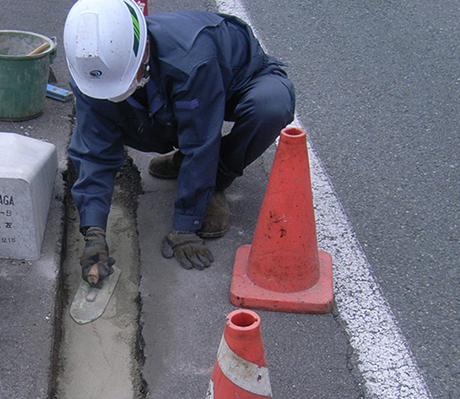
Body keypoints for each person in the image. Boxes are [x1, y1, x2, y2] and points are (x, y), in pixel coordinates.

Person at [64, 0, 295, 284]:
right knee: (127, 116)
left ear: (144, 49)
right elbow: (93, 152)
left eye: (122, 84)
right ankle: (182, 165)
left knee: (271, 107)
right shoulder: (92, 76)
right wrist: (93, 232)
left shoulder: (189, 59)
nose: (114, 95)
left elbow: (201, 140)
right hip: (168, 96)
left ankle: (217, 180)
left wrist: (187, 226)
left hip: (234, 81)